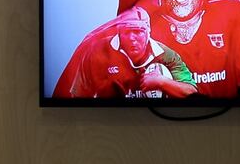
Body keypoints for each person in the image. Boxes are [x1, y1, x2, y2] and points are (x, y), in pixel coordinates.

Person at [58, 7, 198, 99]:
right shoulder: (98, 52)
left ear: (148, 32)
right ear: (119, 32)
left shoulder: (166, 55)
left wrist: (162, 82)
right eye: (126, 32)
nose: (131, 38)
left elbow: (191, 92)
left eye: (137, 31)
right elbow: (77, 97)